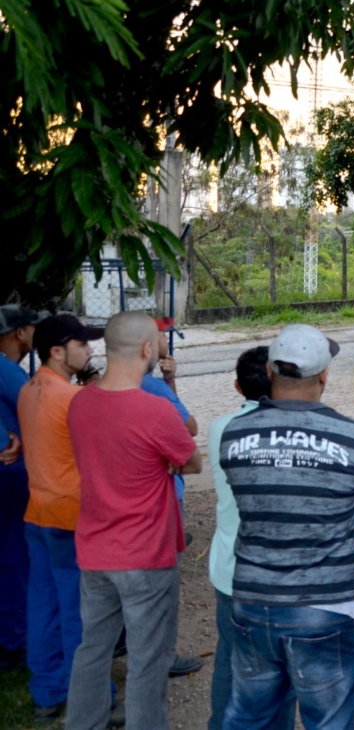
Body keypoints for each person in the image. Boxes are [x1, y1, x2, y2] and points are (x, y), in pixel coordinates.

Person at [220, 324, 354, 729]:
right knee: (328, 720)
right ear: (325, 375)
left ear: (271, 372)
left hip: (252, 599)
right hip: (324, 606)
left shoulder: (234, 434)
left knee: (248, 716)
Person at [65, 311, 202, 730]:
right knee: (149, 656)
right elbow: (191, 461)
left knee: (92, 648)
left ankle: (82, 724)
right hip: (146, 553)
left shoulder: (79, 403)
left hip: (94, 548)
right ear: (147, 350)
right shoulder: (155, 410)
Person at [18, 314, 104, 721]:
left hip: (37, 512)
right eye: (82, 343)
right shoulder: (71, 398)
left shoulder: (29, 389)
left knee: (44, 605)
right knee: (81, 611)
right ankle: (92, 696)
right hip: (71, 516)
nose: (89, 349)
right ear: (57, 350)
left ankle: (47, 692)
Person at [205, 347, 296, 730]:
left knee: (230, 658)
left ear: (237, 386)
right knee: (284, 667)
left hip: (232, 568)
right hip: (283, 574)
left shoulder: (219, 427)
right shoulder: (298, 432)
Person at [138, 316, 203, 679]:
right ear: (148, 346)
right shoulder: (152, 388)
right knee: (161, 583)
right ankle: (160, 656)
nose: (166, 338)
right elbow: (189, 428)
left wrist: (171, 380)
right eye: (161, 334)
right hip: (164, 492)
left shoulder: (102, 389)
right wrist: (168, 386)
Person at [0, 305, 43, 673]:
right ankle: (14, 641)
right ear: (19, 334)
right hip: (11, 472)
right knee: (15, 555)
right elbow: (37, 404)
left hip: (11, 464)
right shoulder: (3, 367)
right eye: (34, 327)